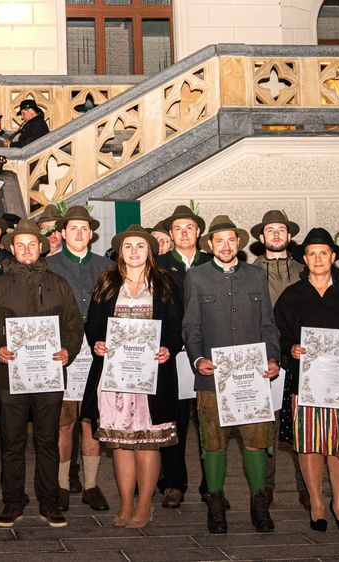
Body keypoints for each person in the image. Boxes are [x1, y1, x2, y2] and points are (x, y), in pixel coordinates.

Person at [0, 218, 84, 528]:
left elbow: (73, 325)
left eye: (32, 245)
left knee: (47, 441)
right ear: (12, 249)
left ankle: (49, 502)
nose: (26, 250)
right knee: (11, 442)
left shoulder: (58, 284)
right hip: (10, 376)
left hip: (48, 376)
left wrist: (69, 350)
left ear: (41, 248)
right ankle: (13, 501)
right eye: (20, 245)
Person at [181, 215, 281, 534]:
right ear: (210, 245)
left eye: (231, 240)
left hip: (252, 377)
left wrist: (274, 357)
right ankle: (215, 504)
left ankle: (258, 504)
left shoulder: (256, 276)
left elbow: (268, 323)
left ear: (239, 243)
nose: (226, 246)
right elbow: (191, 326)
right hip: (212, 377)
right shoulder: (196, 278)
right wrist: (197, 359)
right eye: (219, 240)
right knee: (214, 443)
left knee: (255, 441)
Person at [274, 228, 339, 533]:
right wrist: (289, 349)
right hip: (305, 385)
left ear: (333, 257)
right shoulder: (292, 296)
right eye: (311, 253)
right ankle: (317, 503)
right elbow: (276, 335)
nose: (317, 258)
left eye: (323, 253)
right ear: (304, 259)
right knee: (310, 443)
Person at [83, 225, 182, 529]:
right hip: (115, 378)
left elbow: (177, 326)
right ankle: (126, 503)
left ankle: (145, 504)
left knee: (148, 443)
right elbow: (94, 323)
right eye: (128, 247)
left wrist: (169, 348)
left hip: (152, 375)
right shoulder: (108, 282)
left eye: (141, 246)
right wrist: (97, 342)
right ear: (120, 251)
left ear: (150, 251)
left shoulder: (164, 283)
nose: (134, 252)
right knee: (120, 443)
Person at [46, 206, 114, 512]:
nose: (79, 234)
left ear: (91, 233)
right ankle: (61, 485)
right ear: (62, 232)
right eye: (73, 228)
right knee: (64, 422)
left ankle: (90, 485)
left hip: (98, 352)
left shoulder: (107, 266)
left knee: (91, 422)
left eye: (84, 229)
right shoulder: (49, 265)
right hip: (63, 351)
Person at [249, 210, 307, 509]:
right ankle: (265, 486)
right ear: (261, 237)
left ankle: (307, 487)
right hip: (263, 358)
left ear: (289, 236)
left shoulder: (305, 269)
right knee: (265, 426)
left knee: (301, 425)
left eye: (280, 230)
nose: (275, 234)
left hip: (299, 357)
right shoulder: (250, 272)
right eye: (269, 230)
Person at [154, 204, 210, 509]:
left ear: (199, 231)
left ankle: (210, 484)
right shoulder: (160, 265)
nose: (184, 233)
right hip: (172, 352)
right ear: (171, 234)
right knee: (172, 420)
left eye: (189, 227)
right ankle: (174, 483)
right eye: (177, 228)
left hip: (205, 352)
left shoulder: (212, 263)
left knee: (208, 419)